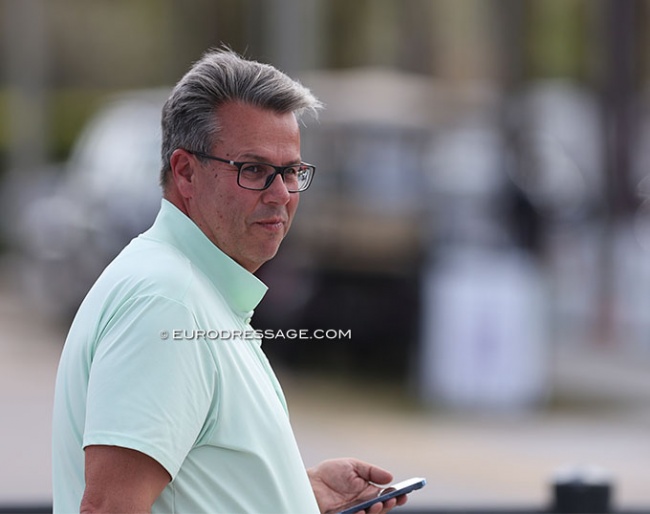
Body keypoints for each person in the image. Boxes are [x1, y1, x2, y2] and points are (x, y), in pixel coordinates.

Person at [51, 47, 408, 514]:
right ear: (185, 173)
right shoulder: (169, 299)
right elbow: (110, 508)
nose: (281, 194)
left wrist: (294, 492)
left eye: (292, 171)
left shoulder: (191, 288)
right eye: (255, 170)